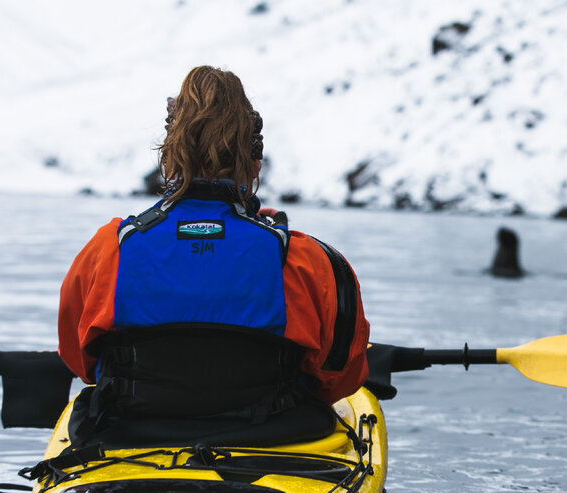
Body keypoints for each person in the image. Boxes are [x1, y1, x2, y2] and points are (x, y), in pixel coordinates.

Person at [57, 66, 369, 443]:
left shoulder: (110, 249)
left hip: (130, 433)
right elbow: (340, 378)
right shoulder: (306, 260)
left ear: (168, 158)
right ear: (255, 162)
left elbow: (81, 362)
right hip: (274, 435)